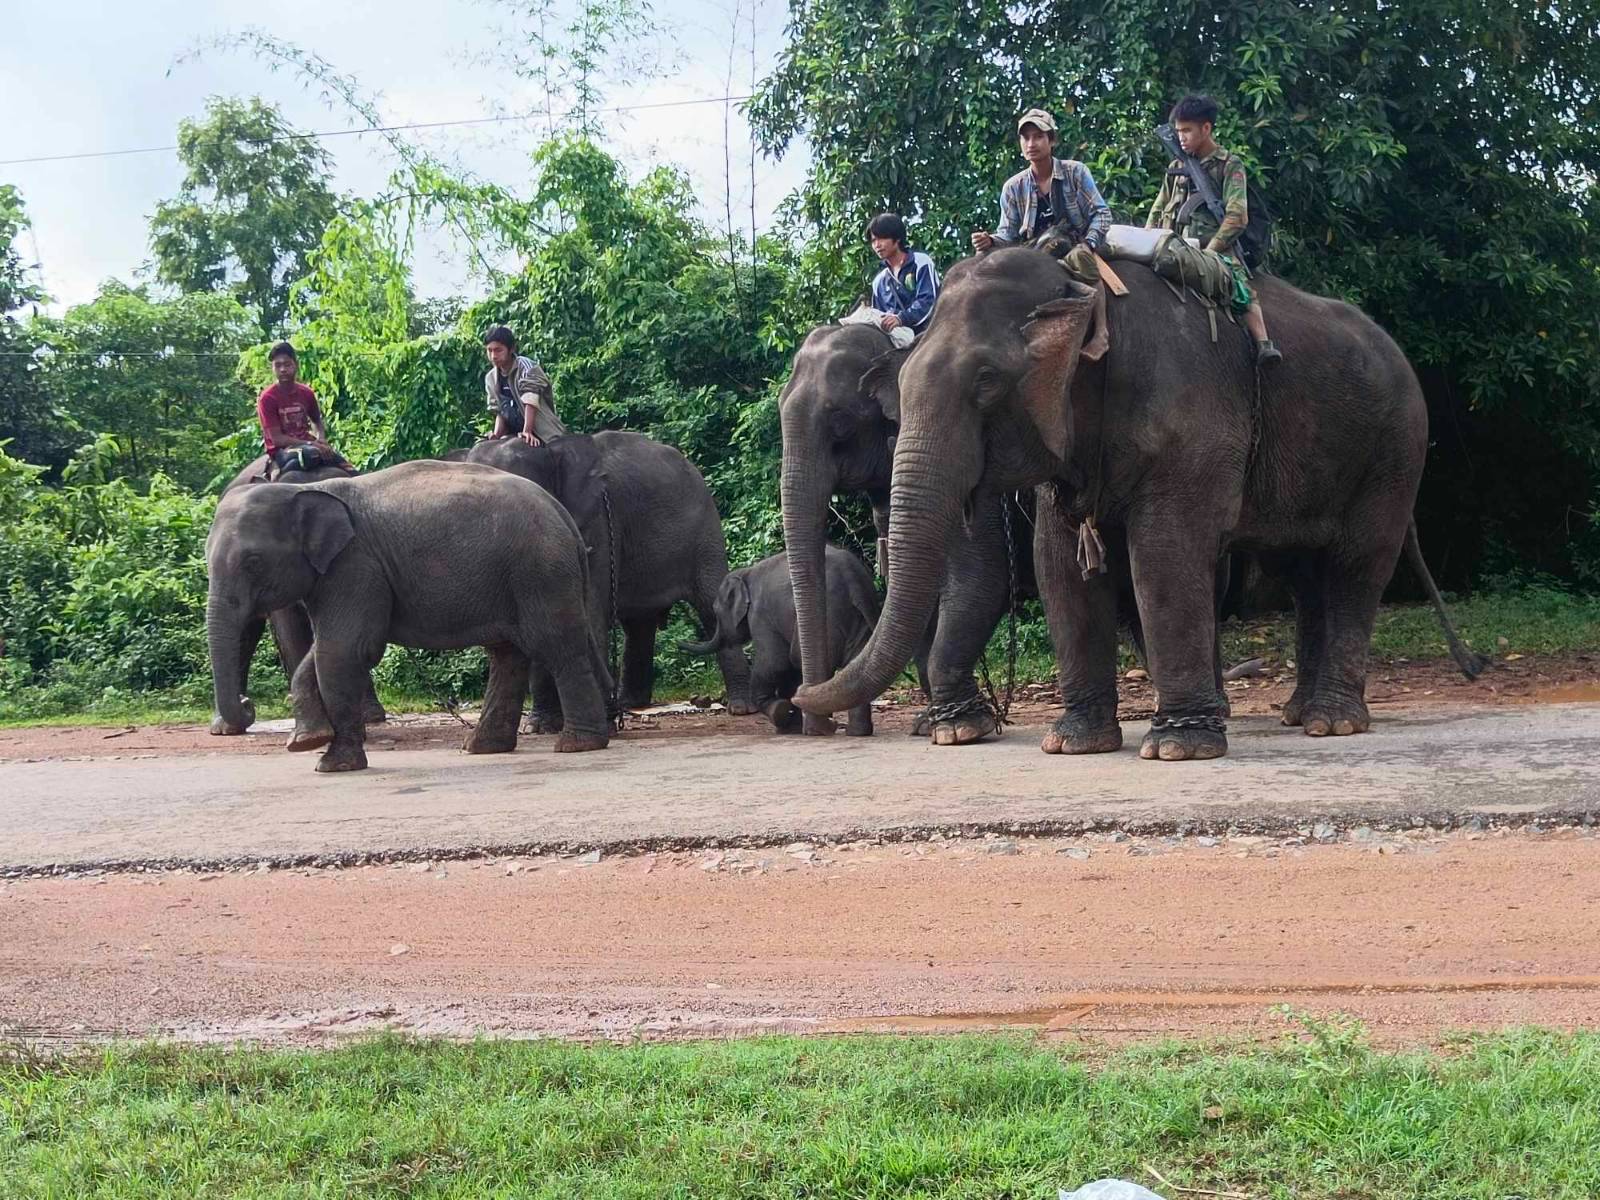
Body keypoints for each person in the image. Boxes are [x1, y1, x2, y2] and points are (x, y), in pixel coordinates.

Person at [1146, 94, 1281, 365]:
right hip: (1171, 244)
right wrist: (1146, 237)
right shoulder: (1177, 166)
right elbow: (1159, 208)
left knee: (1241, 290)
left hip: (1213, 249)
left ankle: (1264, 343)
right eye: (1178, 131)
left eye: (1187, 130)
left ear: (1206, 128)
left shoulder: (1229, 165)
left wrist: (1211, 250)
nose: (1181, 137)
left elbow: (1237, 216)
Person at [972, 107, 1112, 282]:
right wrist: (989, 241)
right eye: (1026, 138)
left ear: (1051, 140)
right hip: (1035, 256)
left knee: (1087, 275)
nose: (1031, 144)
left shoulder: (1075, 172)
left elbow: (1101, 213)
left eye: (1038, 136)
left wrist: (1088, 244)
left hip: (1075, 248)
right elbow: (1008, 234)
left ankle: (1098, 308)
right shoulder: (1013, 187)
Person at [256, 342, 351, 475]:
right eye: (278, 365)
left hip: (308, 443)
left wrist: (321, 439)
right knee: (308, 455)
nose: (282, 369)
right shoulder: (267, 398)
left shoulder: (306, 393)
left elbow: (317, 421)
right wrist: (311, 444)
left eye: (287, 364)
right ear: (272, 368)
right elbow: (277, 439)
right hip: (282, 450)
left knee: (347, 467)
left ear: (296, 364)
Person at [483, 325, 567, 446]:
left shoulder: (526, 366)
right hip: (514, 434)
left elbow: (530, 400)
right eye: (489, 350)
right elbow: (501, 411)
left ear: (511, 349)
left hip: (545, 433)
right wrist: (496, 435)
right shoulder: (491, 378)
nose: (493, 356)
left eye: (498, 350)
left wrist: (527, 431)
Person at [866, 213, 941, 336]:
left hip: (928, 335)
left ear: (897, 238)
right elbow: (878, 315)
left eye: (882, 238)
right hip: (896, 339)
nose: (877, 245)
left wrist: (901, 318)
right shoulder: (879, 281)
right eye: (873, 240)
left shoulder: (921, 262)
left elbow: (928, 301)